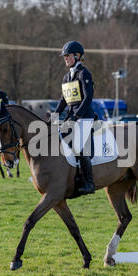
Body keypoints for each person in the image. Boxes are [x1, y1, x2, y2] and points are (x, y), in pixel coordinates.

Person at [53, 41, 95, 194]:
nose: (65, 58)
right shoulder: (66, 77)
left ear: (77, 56)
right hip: (72, 117)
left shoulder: (84, 74)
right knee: (58, 139)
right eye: (64, 56)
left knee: (78, 147)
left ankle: (89, 183)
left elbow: (88, 97)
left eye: (67, 56)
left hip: (84, 117)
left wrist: (77, 115)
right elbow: (64, 100)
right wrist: (54, 116)